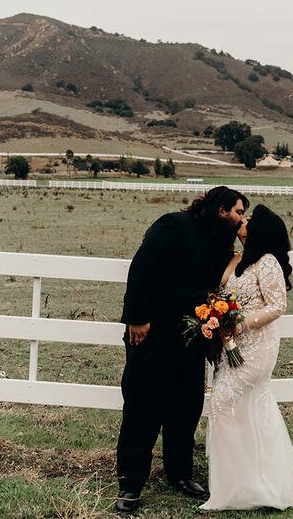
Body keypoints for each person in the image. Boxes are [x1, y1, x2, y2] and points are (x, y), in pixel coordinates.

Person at [114, 185, 249, 514]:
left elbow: (226, 281)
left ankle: (180, 474)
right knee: (142, 407)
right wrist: (137, 318)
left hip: (192, 340)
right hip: (153, 334)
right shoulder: (173, 225)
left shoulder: (222, 243)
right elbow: (142, 269)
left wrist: (247, 242)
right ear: (220, 210)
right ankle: (130, 483)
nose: (241, 219)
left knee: (185, 408)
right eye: (238, 212)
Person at [200, 205, 293, 511]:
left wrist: (240, 322)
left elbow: (278, 305)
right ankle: (245, 483)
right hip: (231, 347)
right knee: (246, 410)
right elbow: (220, 295)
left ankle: (246, 486)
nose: (244, 221)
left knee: (222, 402)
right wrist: (217, 318)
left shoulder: (268, 263)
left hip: (257, 347)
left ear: (260, 230)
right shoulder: (236, 258)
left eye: (250, 219)